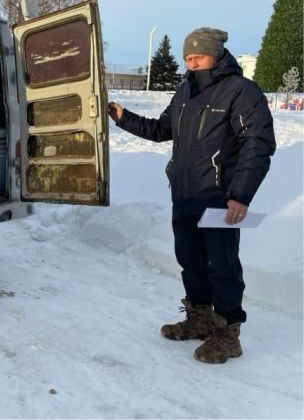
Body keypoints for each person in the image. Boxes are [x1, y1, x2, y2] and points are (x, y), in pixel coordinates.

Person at [108, 27, 275, 364]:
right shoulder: (184, 91)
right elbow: (161, 130)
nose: (192, 61)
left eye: (198, 55)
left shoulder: (241, 91)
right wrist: (123, 118)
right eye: (187, 57)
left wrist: (240, 195)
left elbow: (258, 145)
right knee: (191, 263)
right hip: (185, 195)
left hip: (218, 198)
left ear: (216, 55)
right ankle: (199, 319)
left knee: (223, 267)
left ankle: (228, 335)